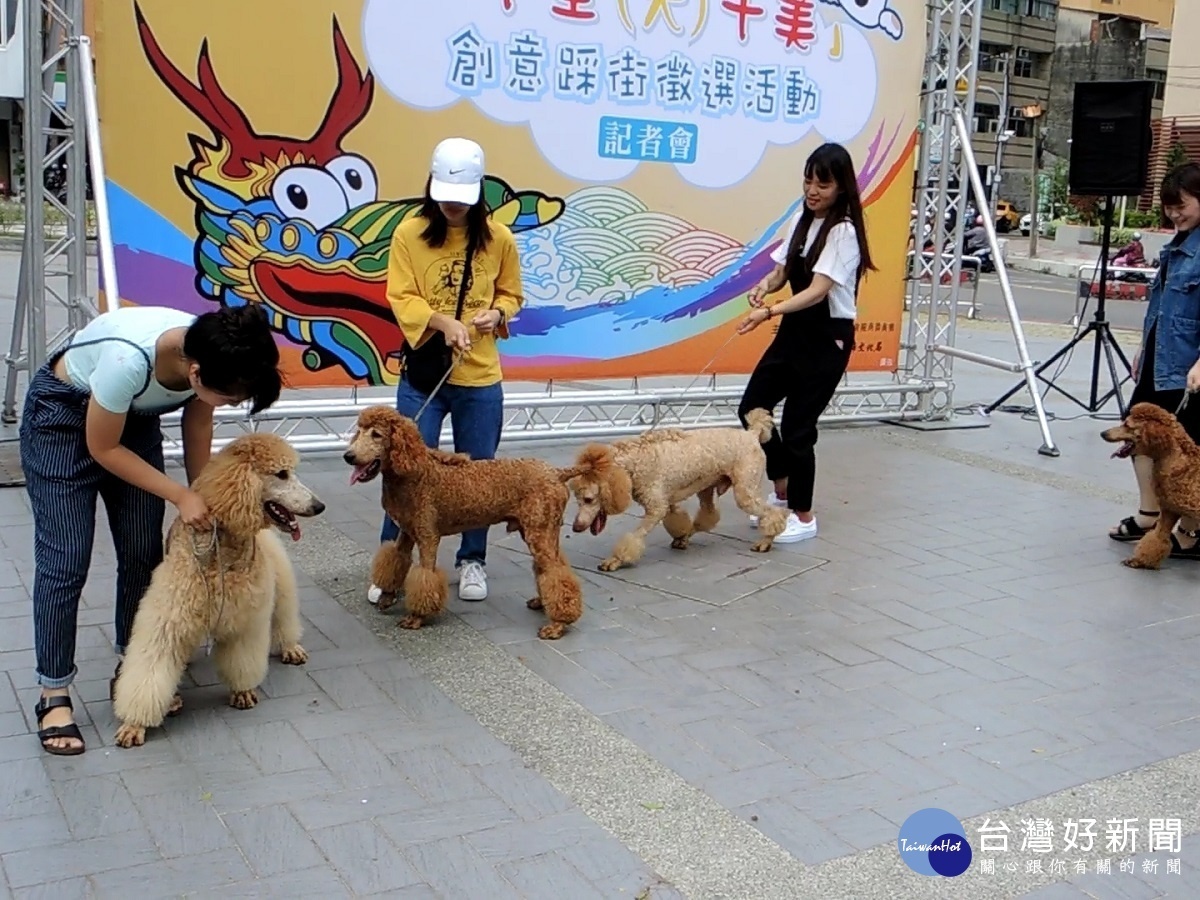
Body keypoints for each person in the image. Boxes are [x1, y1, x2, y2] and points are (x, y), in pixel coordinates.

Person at [20, 302, 282, 755]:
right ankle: (54, 692)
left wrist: (206, 499)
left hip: (134, 423)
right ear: (196, 372)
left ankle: (134, 663)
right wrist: (180, 497)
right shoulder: (128, 359)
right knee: (66, 560)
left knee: (143, 552)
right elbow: (102, 447)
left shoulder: (211, 350)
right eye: (233, 398)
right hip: (63, 423)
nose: (235, 405)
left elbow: (198, 430)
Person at [367, 137, 524, 605]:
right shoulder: (409, 233)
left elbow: (512, 294)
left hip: (480, 376)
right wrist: (442, 322)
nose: (453, 205)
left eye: (462, 198)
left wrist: (496, 315)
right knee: (402, 467)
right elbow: (401, 295)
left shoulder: (500, 238)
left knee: (479, 476)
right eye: (445, 196)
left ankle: (472, 559)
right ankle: (392, 564)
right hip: (424, 375)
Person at [734, 142, 875, 543]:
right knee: (752, 408)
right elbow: (783, 271)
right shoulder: (802, 216)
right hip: (794, 330)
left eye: (823, 184)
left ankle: (804, 515)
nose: (813, 190)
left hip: (826, 336)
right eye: (808, 180)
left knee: (798, 427)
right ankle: (781, 489)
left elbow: (818, 290)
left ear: (842, 187)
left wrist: (769, 312)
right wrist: (765, 286)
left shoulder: (844, 232)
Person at [1110, 162, 1200, 554]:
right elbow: (1161, 309)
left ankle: (1193, 531)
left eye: (1181, 205)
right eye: (1169, 206)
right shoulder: (1176, 247)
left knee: (1191, 449)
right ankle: (1150, 515)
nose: (1174, 213)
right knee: (1139, 433)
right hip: (1161, 360)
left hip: (1191, 366)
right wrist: (1144, 350)